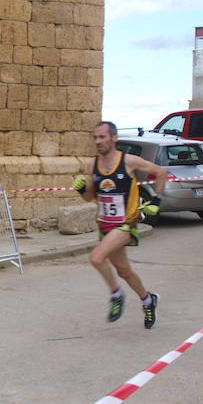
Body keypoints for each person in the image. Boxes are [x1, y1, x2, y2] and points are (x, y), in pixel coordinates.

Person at [72, 121, 168, 328]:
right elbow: (89, 198)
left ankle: (116, 295)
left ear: (114, 138)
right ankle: (148, 300)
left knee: (96, 258)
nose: (98, 142)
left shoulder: (129, 161)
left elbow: (161, 172)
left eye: (102, 137)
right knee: (124, 271)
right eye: (95, 138)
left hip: (125, 224)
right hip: (105, 226)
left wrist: (156, 201)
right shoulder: (92, 165)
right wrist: (81, 190)